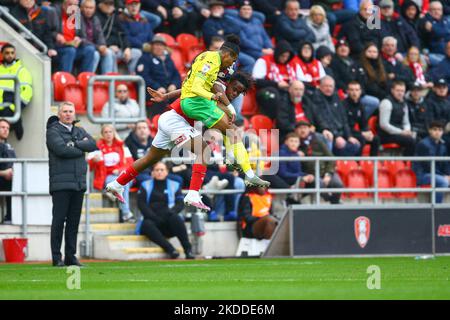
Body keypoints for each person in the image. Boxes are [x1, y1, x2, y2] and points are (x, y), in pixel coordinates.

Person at [107, 69, 269, 211]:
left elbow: (187, 89)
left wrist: (166, 96)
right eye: (234, 89)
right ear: (229, 82)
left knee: (151, 158)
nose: (234, 94)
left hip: (170, 119)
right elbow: (225, 122)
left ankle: (117, 184)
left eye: (238, 93)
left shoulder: (215, 93)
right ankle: (193, 194)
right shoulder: (218, 88)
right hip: (176, 121)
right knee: (204, 150)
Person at [46, 101, 97, 267]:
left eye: (71, 111)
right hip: (61, 184)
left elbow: (93, 144)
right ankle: (56, 257)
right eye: (65, 111)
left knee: (74, 223)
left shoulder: (79, 130)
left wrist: (74, 144)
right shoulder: (52, 131)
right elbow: (61, 150)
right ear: (59, 114)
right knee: (59, 221)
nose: (68, 114)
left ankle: (70, 256)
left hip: (78, 183)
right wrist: (81, 147)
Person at [137, 161, 194, 259]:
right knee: (146, 224)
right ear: (153, 172)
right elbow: (141, 204)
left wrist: (170, 213)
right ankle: (171, 249)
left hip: (168, 220)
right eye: (157, 170)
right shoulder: (145, 185)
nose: (159, 172)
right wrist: (154, 217)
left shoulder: (175, 185)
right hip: (152, 220)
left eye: (162, 170)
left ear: (167, 172)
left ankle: (188, 250)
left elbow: (180, 203)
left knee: (176, 219)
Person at [89, 124, 135, 222]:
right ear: (102, 134)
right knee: (122, 184)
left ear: (114, 133)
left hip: (122, 174)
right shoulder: (96, 147)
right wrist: (93, 160)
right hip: (107, 177)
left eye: (110, 132)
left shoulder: (122, 146)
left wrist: (120, 170)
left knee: (122, 183)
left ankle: (112, 192)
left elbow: (131, 164)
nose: (108, 134)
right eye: (105, 132)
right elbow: (89, 167)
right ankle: (126, 213)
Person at [296, 120, 344, 204]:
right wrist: (295, 154)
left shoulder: (318, 142)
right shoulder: (295, 143)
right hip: (310, 175)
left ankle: (335, 204)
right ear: (296, 130)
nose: (303, 130)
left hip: (325, 171)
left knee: (338, 184)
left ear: (309, 129)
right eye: (300, 128)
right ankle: (331, 200)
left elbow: (331, 158)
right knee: (320, 183)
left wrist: (328, 174)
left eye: (305, 128)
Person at [312, 76, 361, 156]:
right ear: (320, 87)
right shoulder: (317, 99)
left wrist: (349, 136)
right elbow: (321, 120)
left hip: (340, 133)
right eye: (326, 86)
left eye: (330, 86)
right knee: (329, 139)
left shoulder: (336, 98)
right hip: (327, 133)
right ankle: (333, 164)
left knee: (356, 144)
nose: (328, 88)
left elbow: (344, 120)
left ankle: (347, 166)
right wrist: (336, 136)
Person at [136, 35, 181, 116]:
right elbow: (143, 76)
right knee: (159, 100)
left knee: (182, 98)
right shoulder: (145, 58)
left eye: (161, 45)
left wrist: (173, 84)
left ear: (164, 47)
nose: (158, 47)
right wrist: (157, 87)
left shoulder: (168, 59)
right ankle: (156, 123)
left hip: (168, 90)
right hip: (152, 91)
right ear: (152, 46)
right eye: (156, 45)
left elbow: (176, 74)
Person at [252, 40, 298, 119]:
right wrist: (277, 84)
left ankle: (294, 123)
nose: (285, 59)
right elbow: (256, 81)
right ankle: (274, 123)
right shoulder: (264, 61)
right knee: (273, 95)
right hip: (263, 92)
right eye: (283, 56)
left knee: (297, 93)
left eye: (287, 56)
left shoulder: (289, 65)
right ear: (278, 53)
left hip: (284, 91)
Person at [52, 0, 96, 73]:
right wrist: (56, 35)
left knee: (90, 50)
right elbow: (47, 31)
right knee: (70, 50)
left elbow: (83, 36)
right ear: (63, 5)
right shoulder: (55, 13)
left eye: (75, 5)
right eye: (70, 4)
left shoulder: (77, 16)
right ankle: (66, 80)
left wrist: (79, 39)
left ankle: (85, 79)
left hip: (73, 47)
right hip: (58, 48)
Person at [96, 0, 139, 74]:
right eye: (107, 3)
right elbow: (96, 36)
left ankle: (131, 78)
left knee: (137, 53)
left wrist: (127, 48)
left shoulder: (114, 16)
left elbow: (123, 34)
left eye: (111, 4)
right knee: (109, 53)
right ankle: (111, 80)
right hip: (105, 48)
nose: (109, 6)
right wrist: (108, 45)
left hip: (118, 49)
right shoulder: (96, 16)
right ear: (100, 4)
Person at [0, 43, 32, 140]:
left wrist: (14, 107)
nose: (10, 55)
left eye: (12, 53)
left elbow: (27, 92)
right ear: (2, 54)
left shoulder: (21, 71)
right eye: (7, 53)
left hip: (11, 109)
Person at [414, 121, 450, 203]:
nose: (437, 132)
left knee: (444, 180)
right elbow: (428, 166)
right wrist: (444, 176)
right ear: (430, 130)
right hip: (423, 175)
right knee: (443, 182)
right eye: (435, 129)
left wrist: (448, 175)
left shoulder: (442, 145)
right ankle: (437, 207)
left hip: (436, 174)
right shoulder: (423, 144)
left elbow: (445, 164)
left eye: (440, 130)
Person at [379, 80, 416, 156]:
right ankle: (406, 163)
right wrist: (401, 132)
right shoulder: (386, 102)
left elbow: (406, 122)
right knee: (410, 141)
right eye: (398, 90)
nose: (400, 93)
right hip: (386, 135)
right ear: (392, 90)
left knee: (417, 138)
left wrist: (407, 131)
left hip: (399, 132)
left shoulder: (404, 103)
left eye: (402, 91)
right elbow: (384, 125)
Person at [343, 81, 380, 156]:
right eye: (352, 90)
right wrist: (362, 133)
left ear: (360, 91)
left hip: (355, 133)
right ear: (347, 91)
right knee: (361, 139)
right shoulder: (343, 105)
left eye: (357, 90)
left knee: (375, 139)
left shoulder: (361, 105)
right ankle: (357, 164)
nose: (354, 93)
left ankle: (373, 164)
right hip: (345, 132)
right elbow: (345, 125)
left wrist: (368, 132)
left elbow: (363, 124)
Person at [119, 0, 155, 73]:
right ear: (126, 6)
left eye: (136, 4)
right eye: (131, 4)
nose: (134, 7)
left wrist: (152, 45)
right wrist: (143, 45)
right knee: (138, 53)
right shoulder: (121, 19)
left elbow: (151, 36)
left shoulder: (144, 20)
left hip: (146, 51)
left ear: (140, 5)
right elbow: (126, 37)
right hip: (132, 49)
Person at [233, 0, 273, 66]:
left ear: (252, 11)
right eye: (244, 9)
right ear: (239, 10)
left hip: (262, 50)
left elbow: (265, 36)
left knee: (275, 55)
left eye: (249, 9)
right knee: (265, 58)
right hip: (247, 50)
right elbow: (244, 42)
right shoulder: (235, 23)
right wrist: (262, 50)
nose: (247, 11)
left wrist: (269, 47)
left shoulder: (257, 21)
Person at [80, 0, 111, 74]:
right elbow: (80, 38)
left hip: (94, 47)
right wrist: (98, 47)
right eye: (86, 7)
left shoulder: (95, 19)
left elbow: (100, 35)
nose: (88, 10)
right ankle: (88, 79)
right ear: (81, 8)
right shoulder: (77, 17)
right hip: (82, 48)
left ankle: (108, 81)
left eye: (91, 8)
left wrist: (103, 45)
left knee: (108, 52)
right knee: (95, 54)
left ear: (94, 9)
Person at [419, 0, 450, 66]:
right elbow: (440, 33)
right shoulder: (425, 21)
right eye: (434, 9)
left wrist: (434, 28)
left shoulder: (445, 20)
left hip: (447, 53)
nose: (437, 12)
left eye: (439, 9)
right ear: (429, 11)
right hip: (434, 54)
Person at [124, 120, 153, 184]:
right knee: (150, 181)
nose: (142, 130)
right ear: (135, 132)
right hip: (137, 173)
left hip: (153, 171)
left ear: (149, 131)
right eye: (139, 128)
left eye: (144, 128)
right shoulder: (129, 143)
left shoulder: (154, 143)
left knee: (176, 179)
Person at [425, 78, 450, 148]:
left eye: (444, 87)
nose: (442, 90)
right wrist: (445, 127)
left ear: (447, 89)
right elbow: (430, 121)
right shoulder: (429, 102)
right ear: (434, 88)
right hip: (436, 132)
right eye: (439, 87)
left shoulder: (448, 103)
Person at [0, 119, 15, 224]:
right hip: (1, 177)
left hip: (10, 179)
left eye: (7, 128)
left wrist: (13, 172)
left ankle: (10, 217)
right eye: (2, 127)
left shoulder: (9, 146)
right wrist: (3, 173)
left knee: (17, 185)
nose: (6, 130)